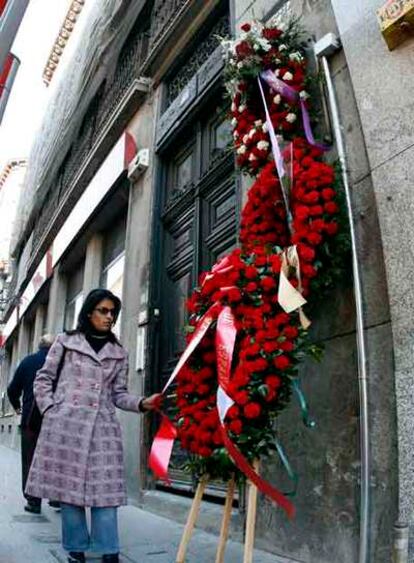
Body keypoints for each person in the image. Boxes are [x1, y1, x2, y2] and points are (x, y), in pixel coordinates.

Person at [25, 289, 162, 563]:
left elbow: (119, 394)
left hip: (103, 431)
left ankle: (108, 550)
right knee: (69, 492)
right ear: (89, 312)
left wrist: (143, 403)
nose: (109, 316)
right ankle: (76, 548)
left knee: (106, 494)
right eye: (103, 310)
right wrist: (52, 409)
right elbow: (43, 379)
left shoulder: (119, 353)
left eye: (113, 312)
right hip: (65, 428)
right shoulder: (66, 342)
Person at [7, 333, 55, 514]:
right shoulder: (62, 363)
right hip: (56, 419)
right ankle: (56, 498)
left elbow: (12, 389)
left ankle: (33, 501)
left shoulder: (28, 362)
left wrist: (18, 407)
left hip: (31, 419)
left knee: (30, 459)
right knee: (55, 458)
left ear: (39, 345)